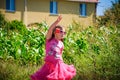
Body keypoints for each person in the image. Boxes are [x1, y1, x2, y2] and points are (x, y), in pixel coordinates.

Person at [30, 15, 76, 80]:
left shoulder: (61, 44)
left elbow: (60, 54)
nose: (63, 34)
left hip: (58, 65)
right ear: (55, 32)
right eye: (61, 32)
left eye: (64, 32)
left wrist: (62, 63)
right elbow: (50, 29)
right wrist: (57, 21)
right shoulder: (49, 40)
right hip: (48, 65)